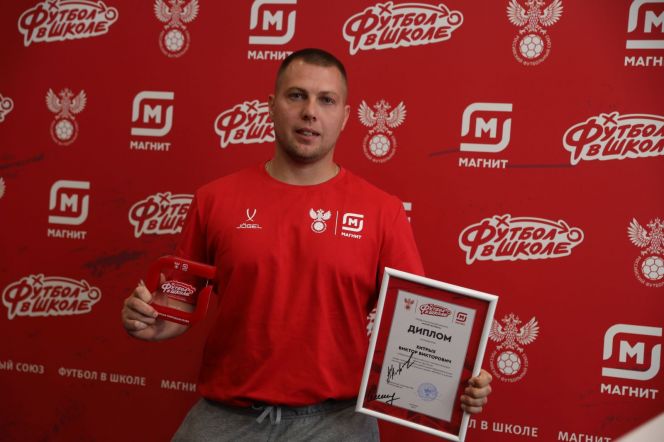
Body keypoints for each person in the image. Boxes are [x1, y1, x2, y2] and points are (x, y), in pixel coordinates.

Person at [121, 48, 492, 441]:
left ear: (345, 117)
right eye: (297, 95)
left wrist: (456, 379)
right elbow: (179, 301)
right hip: (227, 417)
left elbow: (417, 324)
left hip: (338, 424)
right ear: (271, 105)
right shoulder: (214, 199)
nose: (310, 112)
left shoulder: (383, 211)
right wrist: (154, 319)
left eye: (326, 100)